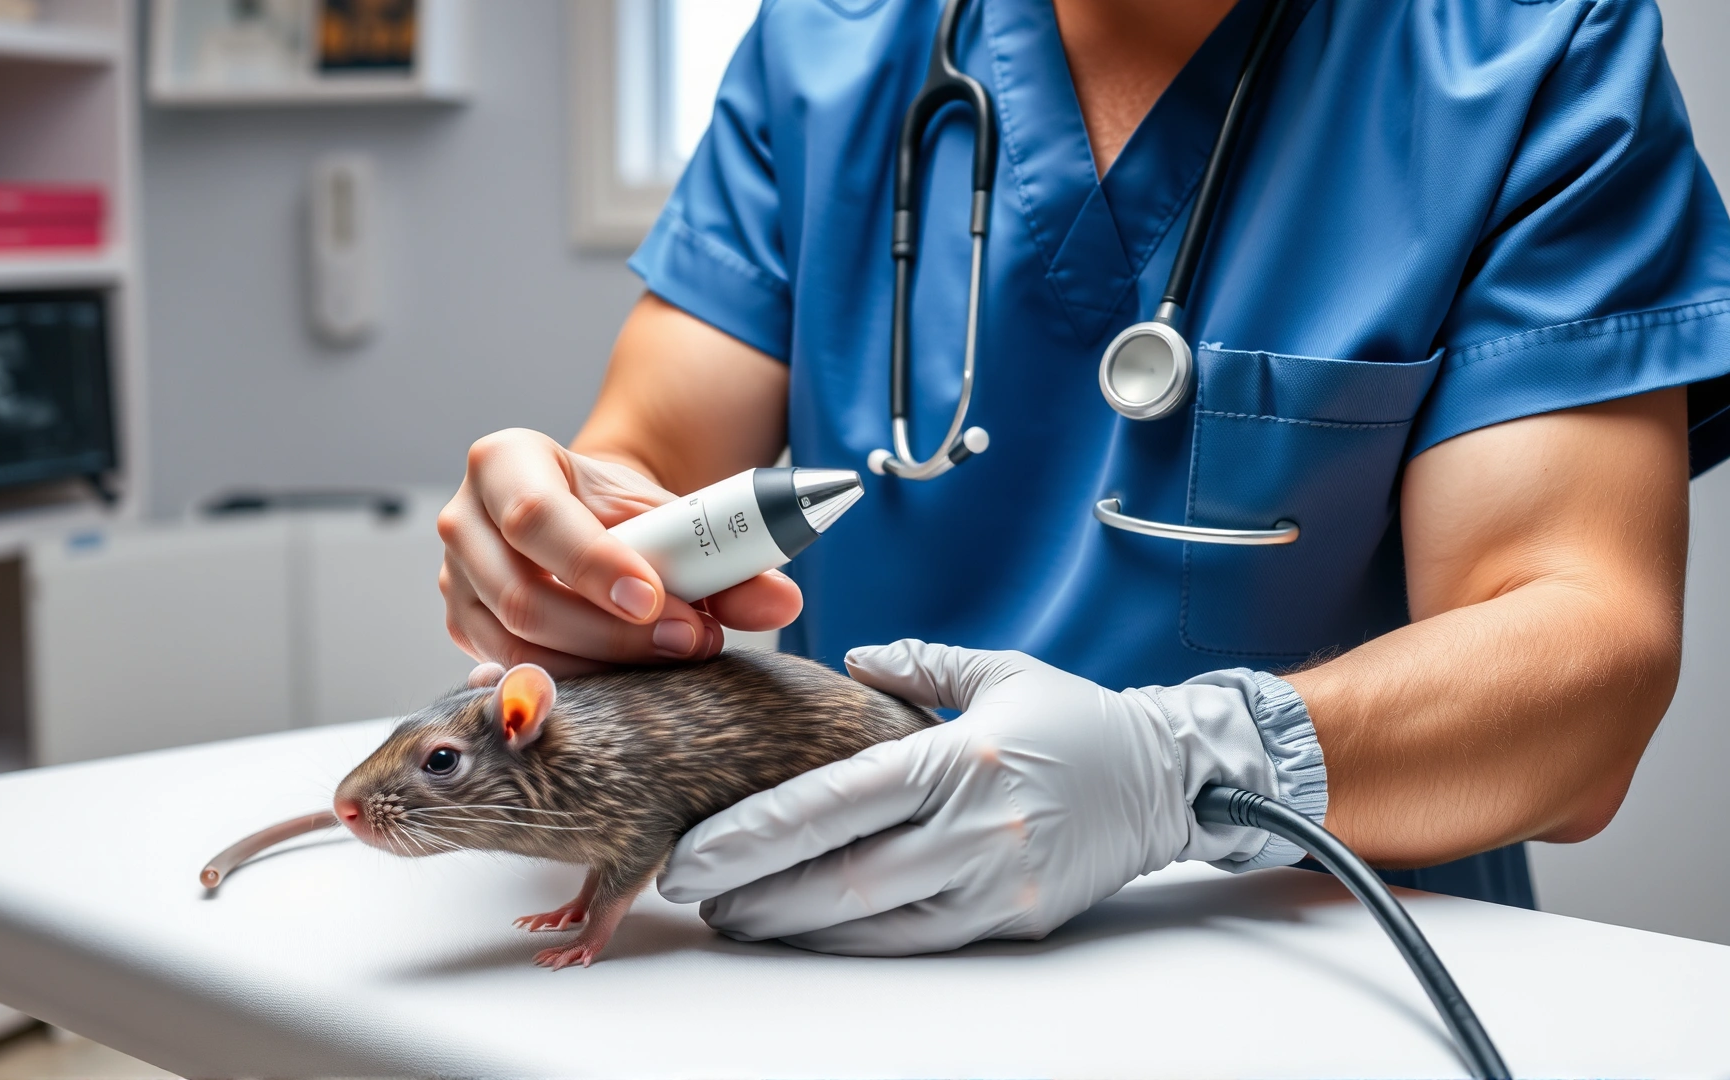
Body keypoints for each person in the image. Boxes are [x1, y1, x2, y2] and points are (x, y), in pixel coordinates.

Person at [436, 0, 1730, 955]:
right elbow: (646, 467)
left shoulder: (1527, 52)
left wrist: (1186, 768)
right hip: (845, 965)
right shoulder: (832, 46)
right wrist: (560, 551)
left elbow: (1583, 675)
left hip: (1330, 974)